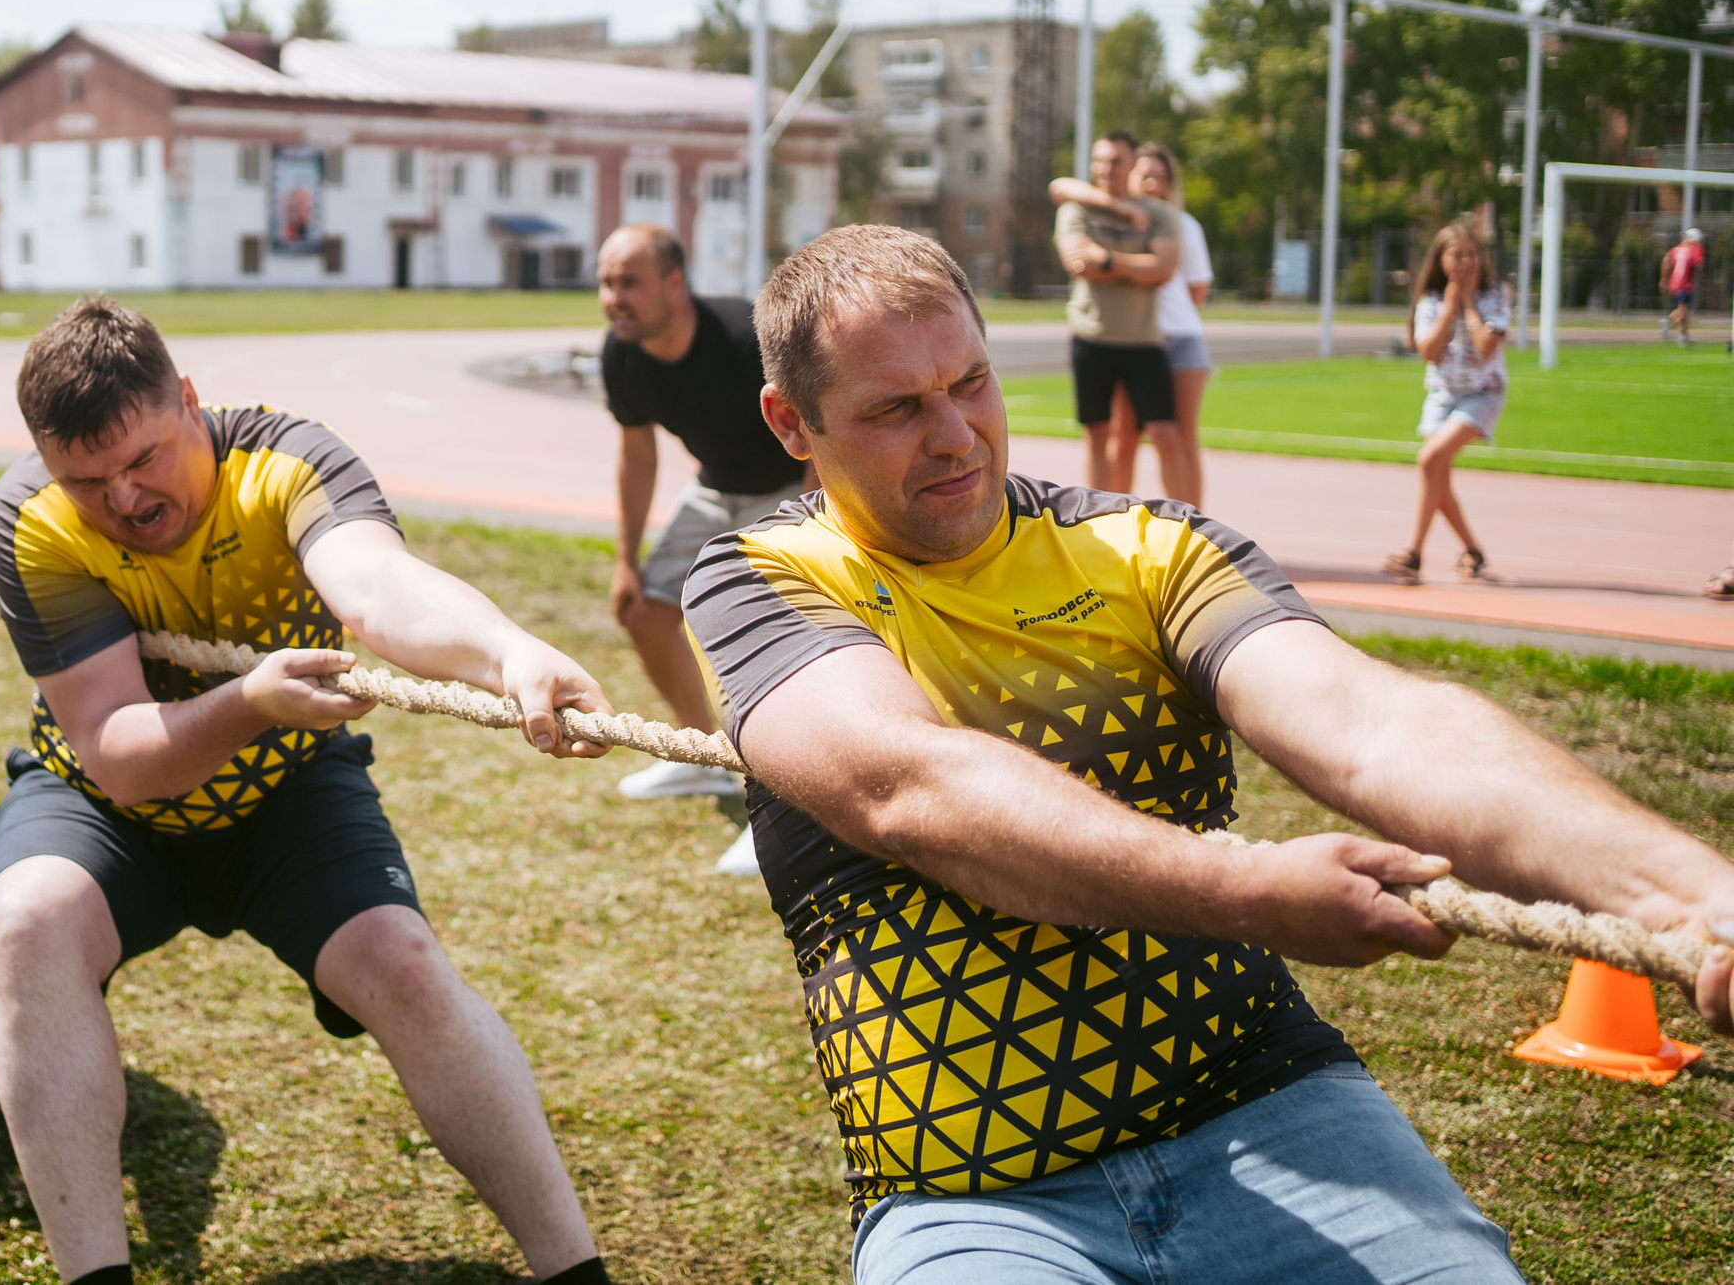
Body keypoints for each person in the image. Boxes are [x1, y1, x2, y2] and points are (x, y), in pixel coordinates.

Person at [679, 224, 1732, 1284]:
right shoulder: (755, 580)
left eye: (970, 383)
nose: (955, 435)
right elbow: (907, 789)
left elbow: (1374, 725)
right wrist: (1244, 890)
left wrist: (1691, 895)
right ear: (791, 423)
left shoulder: (1151, 546)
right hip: (970, 1192)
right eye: (896, 408)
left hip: (1269, 1106)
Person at [0, 297, 619, 1285]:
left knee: (402, 962)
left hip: (284, 792)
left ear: (188, 401)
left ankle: (577, 1270)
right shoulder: (32, 518)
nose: (126, 500)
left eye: (145, 458)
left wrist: (508, 652)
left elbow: (375, 589)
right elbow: (114, 749)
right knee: (26, 923)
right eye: (89, 480)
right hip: (106, 808)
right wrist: (249, 702)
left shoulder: (285, 463)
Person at [594, 223, 806, 876]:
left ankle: (781, 805)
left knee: (764, 641)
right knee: (646, 613)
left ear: (674, 284)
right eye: (605, 282)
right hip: (714, 492)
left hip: (787, 488)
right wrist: (627, 559)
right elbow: (636, 453)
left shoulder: (747, 338)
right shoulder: (622, 352)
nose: (613, 297)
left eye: (628, 282)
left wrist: (810, 524)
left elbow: (818, 428)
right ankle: (708, 756)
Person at [1048, 143, 1213, 507]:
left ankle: (1196, 525)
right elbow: (1062, 197)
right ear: (1132, 174)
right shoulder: (1092, 205)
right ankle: (1111, 518)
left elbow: (1173, 275)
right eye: (1146, 174)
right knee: (1119, 437)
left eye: (1161, 176)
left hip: (1164, 336)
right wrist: (1120, 215)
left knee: (1176, 435)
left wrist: (1106, 260)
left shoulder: (1171, 219)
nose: (1152, 182)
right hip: (1109, 336)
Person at [1382, 217, 1507, 584]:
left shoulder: (1495, 295)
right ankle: (1473, 550)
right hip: (1442, 395)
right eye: (1457, 255)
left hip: (1482, 394)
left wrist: (1468, 304)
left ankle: (1413, 553)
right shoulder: (1431, 301)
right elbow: (1427, 350)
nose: (1466, 263)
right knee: (1437, 476)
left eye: (1472, 254)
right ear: (1440, 261)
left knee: (1430, 460)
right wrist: (1450, 307)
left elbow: (1486, 349)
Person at [1661, 226, 1704, 346]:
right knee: (1684, 310)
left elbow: (1666, 261)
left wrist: (1664, 279)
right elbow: (1699, 264)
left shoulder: (1676, 249)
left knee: (1684, 308)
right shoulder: (1695, 248)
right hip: (1685, 283)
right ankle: (1668, 321)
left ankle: (1682, 336)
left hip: (1674, 282)